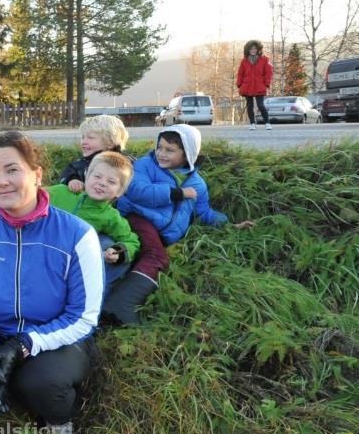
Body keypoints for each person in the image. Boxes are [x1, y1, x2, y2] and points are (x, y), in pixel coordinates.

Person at [0, 131, 103, 434]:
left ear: (37, 174)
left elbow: (84, 316)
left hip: (54, 337)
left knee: (43, 384)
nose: (1, 181)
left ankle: (59, 420)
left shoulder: (76, 234)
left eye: (12, 170)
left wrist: (23, 345)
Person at [102, 124, 254, 325]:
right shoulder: (145, 165)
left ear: (188, 154)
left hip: (161, 234)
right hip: (138, 218)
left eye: (170, 150)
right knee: (157, 257)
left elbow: (204, 213)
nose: (161, 154)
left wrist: (230, 225)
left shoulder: (197, 183)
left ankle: (113, 303)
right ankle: (121, 304)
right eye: (160, 147)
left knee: (144, 256)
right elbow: (138, 191)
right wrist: (178, 194)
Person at [47, 151, 140, 287]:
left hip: (69, 263)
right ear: (87, 176)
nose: (102, 183)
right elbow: (30, 196)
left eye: (111, 181)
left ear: (119, 192)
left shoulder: (110, 216)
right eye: (97, 176)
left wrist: (118, 251)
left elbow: (131, 241)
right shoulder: (61, 192)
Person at [58, 114, 129, 192]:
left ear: (110, 142)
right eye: (83, 137)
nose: (83, 142)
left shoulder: (126, 165)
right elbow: (67, 174)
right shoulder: (79, 165)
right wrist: (72, 180)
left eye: (90, 137)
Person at [236, 39, 274, 131]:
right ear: (248, 50)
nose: (253, 50)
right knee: (250, 106)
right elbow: (240, 73)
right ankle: (252, 123)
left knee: (261, 105)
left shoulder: (264, 60)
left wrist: (267, 83)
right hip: (247, 86)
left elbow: (268, 73)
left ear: (258, 49)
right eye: (251, 49)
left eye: (255, 49)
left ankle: (267, 123)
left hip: (259, 86)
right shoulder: (244, 61)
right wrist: (239, 84)